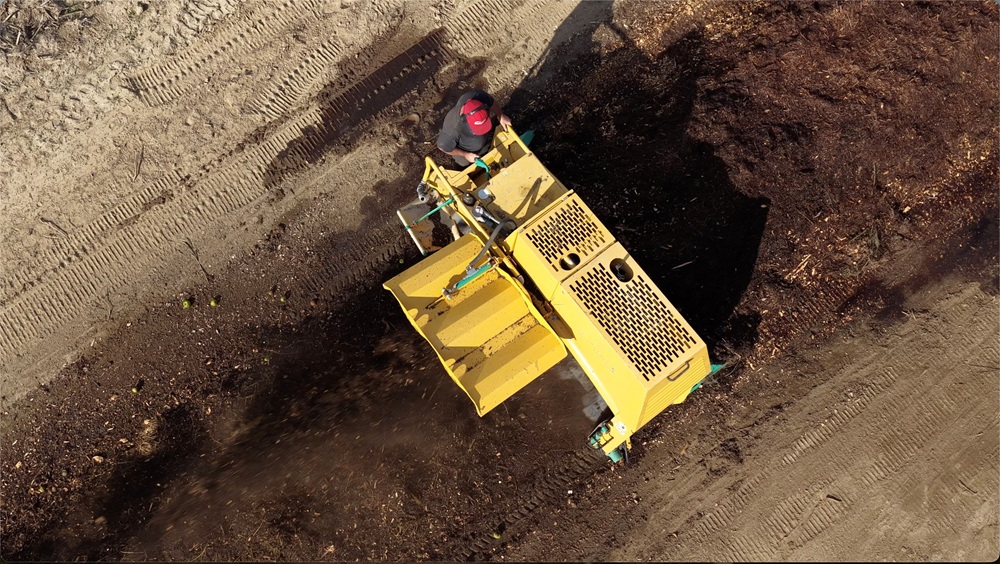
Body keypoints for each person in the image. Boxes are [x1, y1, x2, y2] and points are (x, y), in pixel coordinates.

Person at [437, 89, 512, 167]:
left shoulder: (477, 96)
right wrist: (465, 154)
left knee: (485, 148)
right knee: (463, 163)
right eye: (478, 127)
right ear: (465, 119)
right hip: (465, 150)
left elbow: (491, 101)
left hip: (483, 143)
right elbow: (443, 147)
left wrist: (501, 115)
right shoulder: (452, 129)